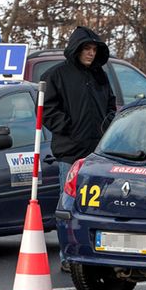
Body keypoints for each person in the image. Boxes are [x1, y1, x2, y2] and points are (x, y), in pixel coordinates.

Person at [42, 26, 117, 190]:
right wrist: (70, 127)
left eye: (94, 49)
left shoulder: (100, 75)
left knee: (96, 207)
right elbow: (46, 110)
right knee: (70, 204)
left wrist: (107, 126)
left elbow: (111, 104)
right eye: (87, 48)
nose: (91, 53)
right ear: (77, 48)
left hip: (98, 154)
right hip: (71, 154)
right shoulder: (56, 75)